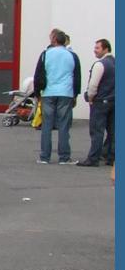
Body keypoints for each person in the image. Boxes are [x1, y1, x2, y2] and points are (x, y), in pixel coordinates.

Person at [33, 29, 82, 164]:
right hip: (66, 93)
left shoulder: (46, 54)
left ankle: (44, 157)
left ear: (54, 40)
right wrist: (75, 94)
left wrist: (37, 93)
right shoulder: (72, 55)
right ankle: (64, 157)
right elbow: (77, 77)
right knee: (64, 126)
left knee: (47, 126)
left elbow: (38, 74)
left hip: (49, 92)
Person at [77, 39, 115, 167]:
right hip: (114, 101)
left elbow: (93, 84)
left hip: (101, 102)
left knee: (97, 131)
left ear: (106, 49)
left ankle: (94, 157)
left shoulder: (100, 64)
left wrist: (90, 96)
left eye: (98, 48)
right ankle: (112, 156)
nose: (95, 50)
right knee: (113, 131)